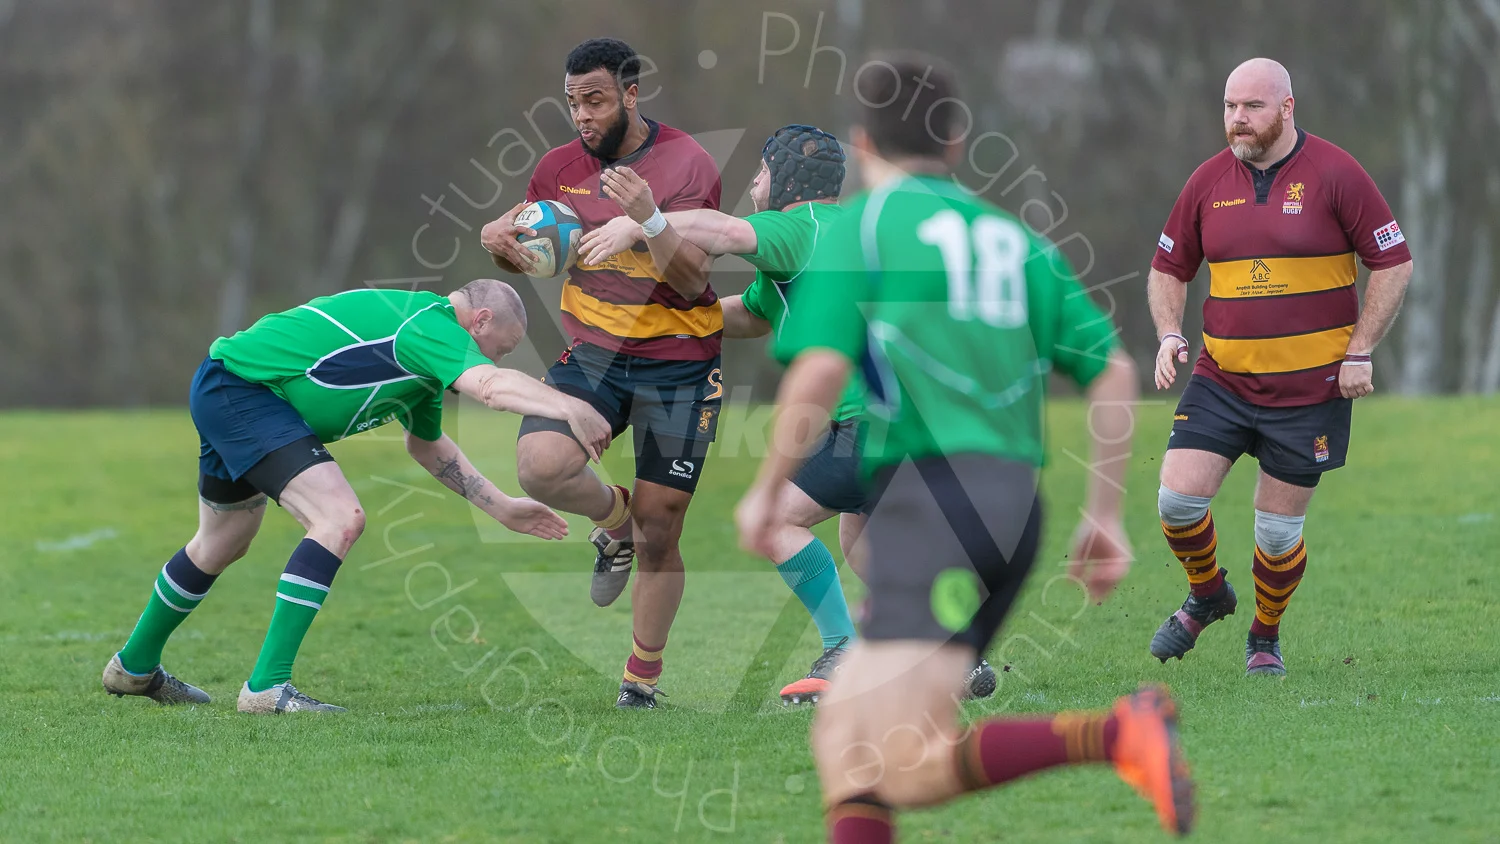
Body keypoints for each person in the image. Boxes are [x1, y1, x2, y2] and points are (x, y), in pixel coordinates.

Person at [735, 56, 1192, 841]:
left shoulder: (864, 227)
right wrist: (1105, 515)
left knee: (876, 752)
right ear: (956, 141)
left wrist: (766, 490)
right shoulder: (1015, 241)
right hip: (1008, 507)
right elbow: (1112, 368)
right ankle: (1117, 737)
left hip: (934, 506)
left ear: (863, 143)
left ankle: (1120, 736)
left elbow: (819, 367)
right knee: (856, 745)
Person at [581, 124, 997, 705]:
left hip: (873, 419)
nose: (753, 182)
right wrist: (657, 326)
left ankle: (844, 648)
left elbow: (720, 230)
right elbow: (749, 314)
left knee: (777, 519)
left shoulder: (798, 225)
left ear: (786, 180)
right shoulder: (836, 234)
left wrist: (642, 220)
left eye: (760, 171)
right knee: (860, 537)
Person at [101, 281, 611, 714]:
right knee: (338, 518)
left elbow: (426, 443)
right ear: (478, 321)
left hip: (230, 386)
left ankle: (133, 667)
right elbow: (493, 388)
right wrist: (569, 406)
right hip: (246, 393)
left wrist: (500, 507)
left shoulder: (426, 355)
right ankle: (266, 688)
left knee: (223, 539)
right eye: (502, 345)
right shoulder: (428, 326)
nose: (497, 356)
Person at [1147, 58, 1414, 676]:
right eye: (1230, 106)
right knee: (1176, 502)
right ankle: (1208, 594)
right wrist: (1167, 333)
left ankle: (1264, 636)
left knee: (1274, 535)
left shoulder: (1336, 173)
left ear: (1287, 108)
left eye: (1253, 107)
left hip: (1310, 390)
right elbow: (1168, 267)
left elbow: (1394, 261)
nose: (1238, 120)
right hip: (1223, 380)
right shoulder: (1207, 181)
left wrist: (1359, 350)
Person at [480, 38, 723, 709]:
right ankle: (614, 524)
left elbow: (694, 276)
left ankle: (641, 681)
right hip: (593, 353)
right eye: (572, 103)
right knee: (541, 465)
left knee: (663, 527)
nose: (582, 115)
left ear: (631, 94)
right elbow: (537, 256)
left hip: (680, 363)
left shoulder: (687, 163)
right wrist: (503, 247)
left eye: (595, 100)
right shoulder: (557, 167)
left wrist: (645, 218)